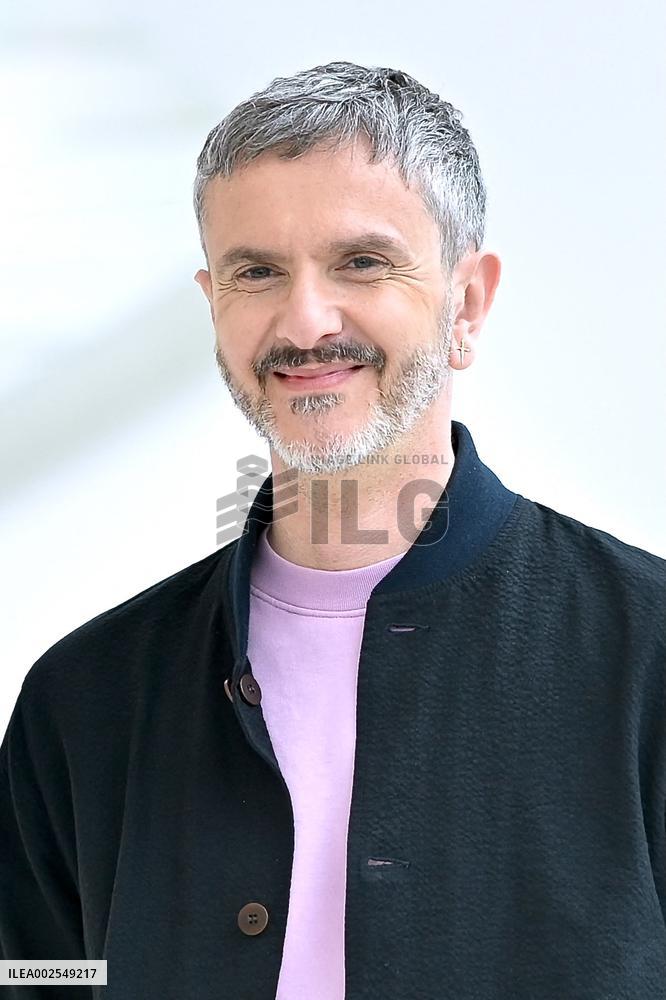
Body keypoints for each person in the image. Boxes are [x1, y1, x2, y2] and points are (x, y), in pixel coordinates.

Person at [1, 60, 665, 1000]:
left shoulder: (648, 655)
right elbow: (38, 976)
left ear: (468, 303)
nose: (306, 321)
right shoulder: (84, 698)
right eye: (258, 272)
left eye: (361, 262)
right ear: (214, 304)